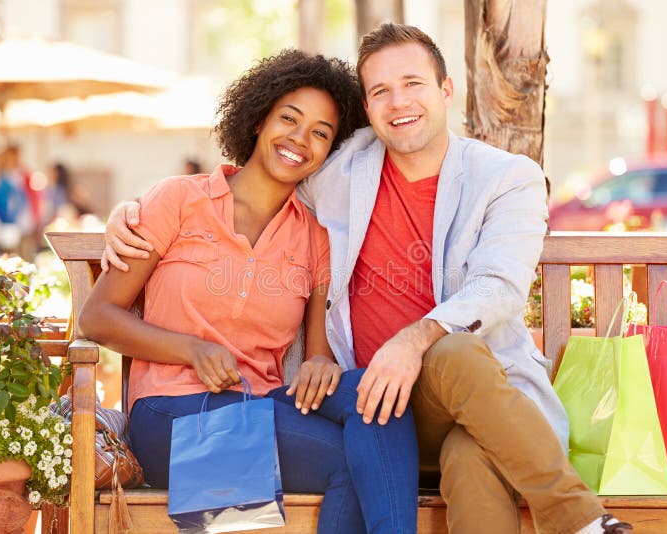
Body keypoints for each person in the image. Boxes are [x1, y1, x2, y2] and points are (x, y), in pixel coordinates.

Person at [102, 24, 633, 534]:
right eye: (380, 90)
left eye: (413, 84)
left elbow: (498, 285)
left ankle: (579, 520)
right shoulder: (328, 175)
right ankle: (583, 521)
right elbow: (251, 185)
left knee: (464, 431)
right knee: (365, 428)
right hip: (232, 413)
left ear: (446, 89)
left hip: (471, 404)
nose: (398, 102)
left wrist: (401, 342)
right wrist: (131, 213)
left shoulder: (503, 178)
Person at [79, 49, 419, 534]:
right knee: (348, 460)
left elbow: (317, 353)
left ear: (329, 150)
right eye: (289, 119)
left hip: (260, 403)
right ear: (259, 119)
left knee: (381, 398)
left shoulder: (314, 236)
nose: (300, 140)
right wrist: (191, 349)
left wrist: (322, 363)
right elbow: (97, 317)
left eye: (320, 133)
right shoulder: (179, 200)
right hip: (170, 416)